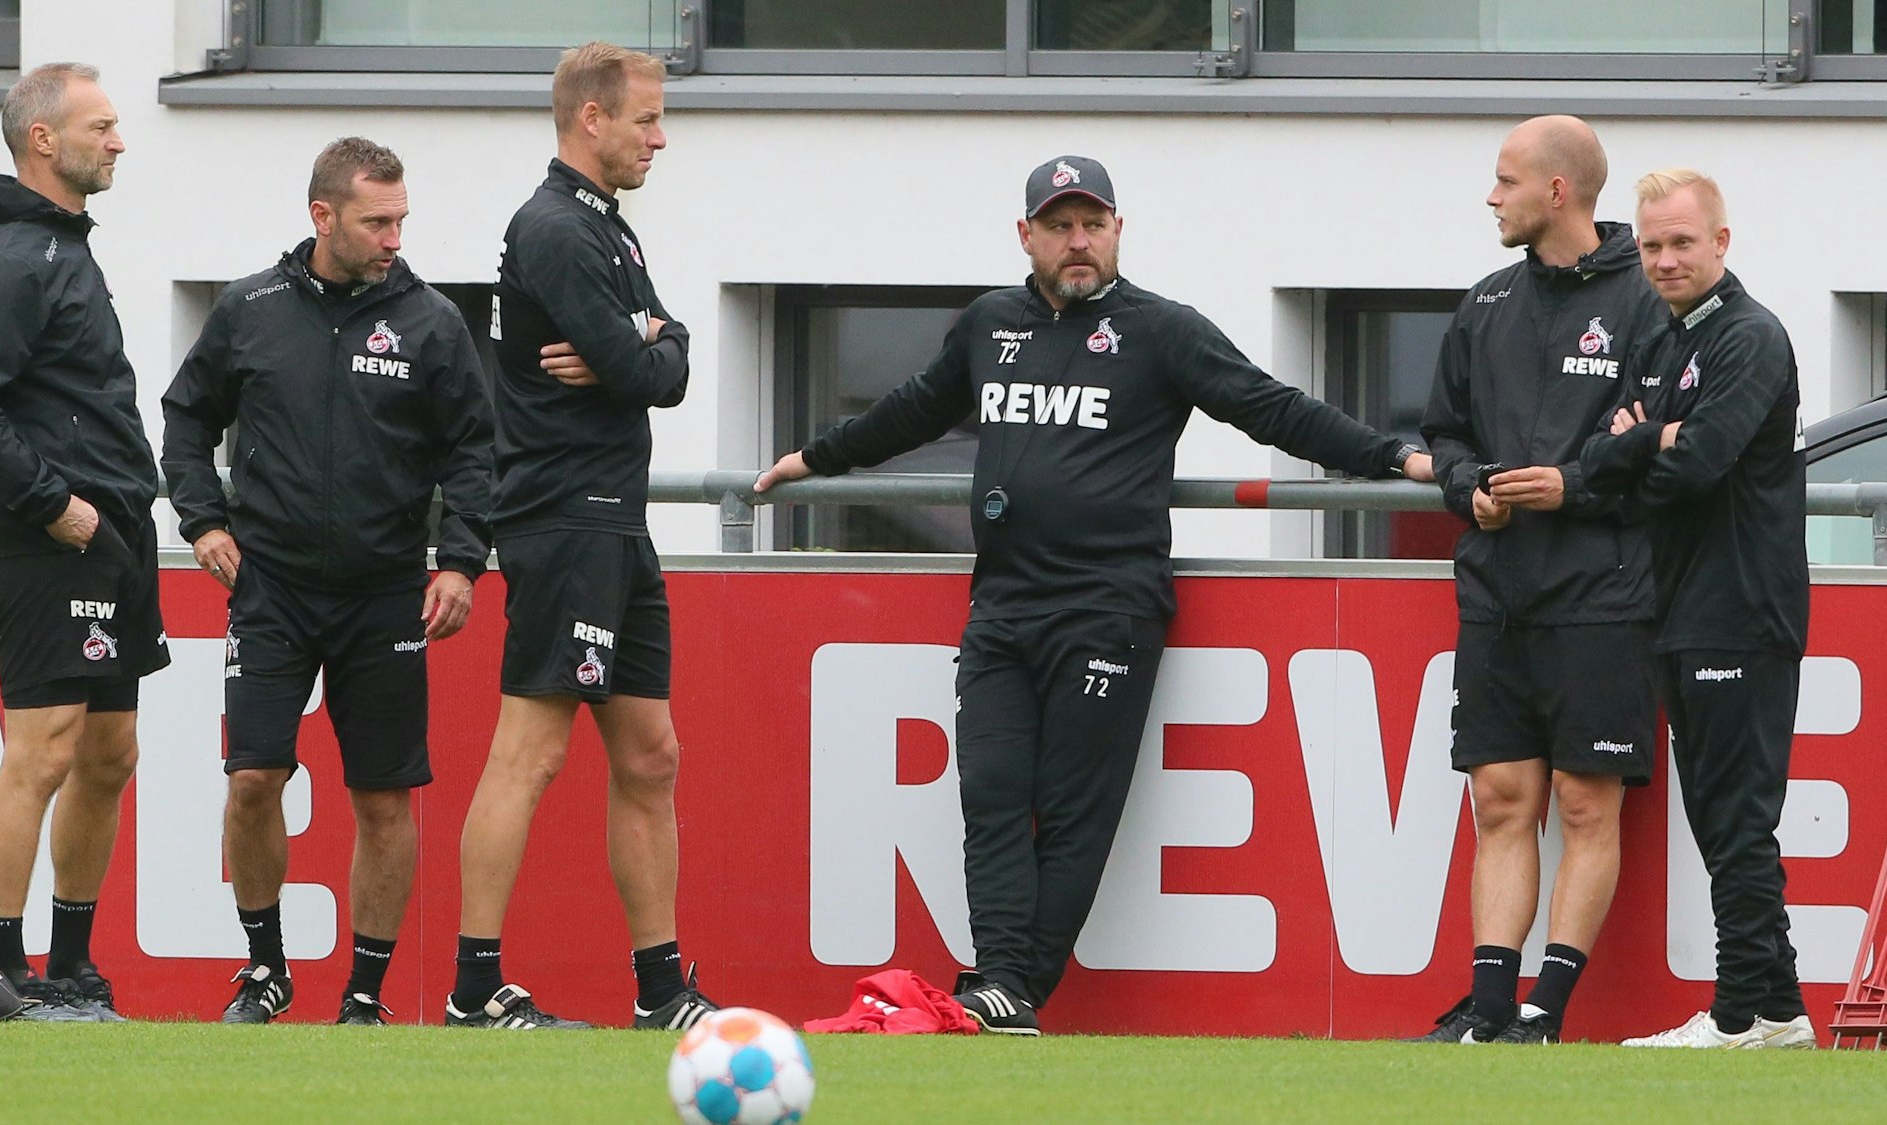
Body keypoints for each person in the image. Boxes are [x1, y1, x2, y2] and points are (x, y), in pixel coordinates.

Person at [756, 155, 1434, 1035]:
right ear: (1026, 235)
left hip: (1108, 607)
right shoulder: (988, 324)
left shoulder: (1163, 330)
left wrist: (1397, 458)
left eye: (1094, 223)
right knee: (991, 792)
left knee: (1075, 810)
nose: (1079, 242)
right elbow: (913, 409)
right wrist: (816, 456)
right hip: (1001, 604)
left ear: (1119, 229)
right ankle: (1002, 984)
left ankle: (1010, 987)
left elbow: (1273, 408)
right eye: (1060, 225)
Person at [160, 138, 493, 1026]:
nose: (394, 238)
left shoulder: (431, 321)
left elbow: (475, 452)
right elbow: (185, 418)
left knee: (383, 798)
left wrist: (460, 559)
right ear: (323, 217)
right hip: (270, 589)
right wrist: (202, 519)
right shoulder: (249, 308)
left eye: (401, 221)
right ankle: (265, 970)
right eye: (376, 221)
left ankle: (363, 995)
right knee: (252, 781)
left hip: (386, 593)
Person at [449, 41, 715, 1031]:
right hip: (563, 517)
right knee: (531, 751)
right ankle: (474, 988)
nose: (657, 137)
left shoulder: (608, 227)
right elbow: (643, 366)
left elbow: (670, 360)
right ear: (590, 119)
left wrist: (644, 345)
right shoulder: (555, 227)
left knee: (651, 754)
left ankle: (660, 989)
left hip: (616, 520)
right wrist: (638, 348)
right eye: (643, 118)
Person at [1410, 116, 1669, 1045]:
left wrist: (1576, 483)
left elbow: (1668, 449)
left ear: (1558, 191)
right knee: (1501, 801)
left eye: (1505, 179)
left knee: (1586, 801)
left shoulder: (1648, 303)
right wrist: (1467, 487)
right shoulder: (1484, 304)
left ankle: (1543, 1015)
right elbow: (1442, 433)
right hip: (1495, 593)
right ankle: (1487, 1013)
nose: (1491, 196)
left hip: (1604, 596)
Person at [0, 62, 167, 1023]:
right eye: (102, 126)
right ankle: (7, 973)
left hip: (109, 535)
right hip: (48, 539)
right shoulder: (16, 256)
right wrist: (50, 502)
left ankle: (72, 968)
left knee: (110, 752)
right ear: (43, 141)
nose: (117, 141)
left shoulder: (64, 248)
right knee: (46, 748)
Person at [1579, 170, 1815, 1049]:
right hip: (1683, 607)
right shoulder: (1665, 341)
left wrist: (1644, 443)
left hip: (1742, 609)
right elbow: (1607, 464)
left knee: (1736, 819)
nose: (1666, 259)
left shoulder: (1749, 337)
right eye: (1651, 245)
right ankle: (1780, 1012)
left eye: (1683, 242)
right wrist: (1650, 442)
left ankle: (1734, 1016)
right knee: (1721, 820)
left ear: (1722, 242)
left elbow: (1695, 464)